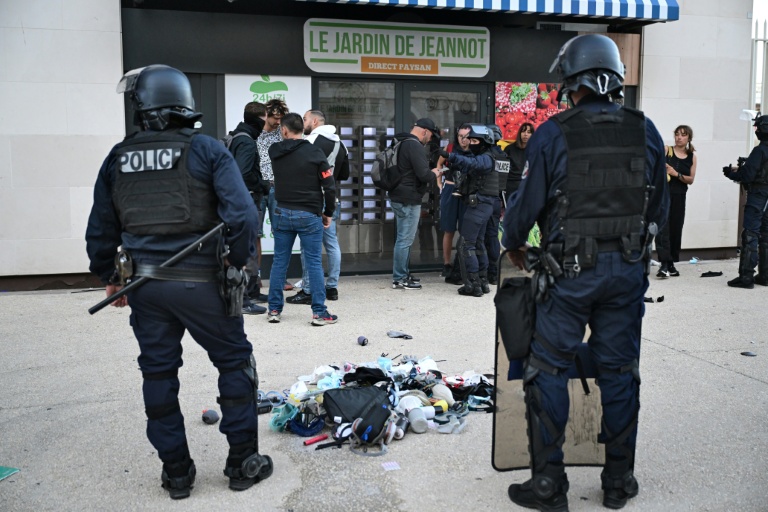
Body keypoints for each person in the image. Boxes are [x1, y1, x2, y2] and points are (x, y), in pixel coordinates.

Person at [85, 65, 272, 499]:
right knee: (234, 364)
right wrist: (239, 265)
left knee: (158, 373)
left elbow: (100, 227)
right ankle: (243, 462)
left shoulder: (119, 156)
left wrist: (110, 277)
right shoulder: (207, 149)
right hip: (204, 283)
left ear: (143, 106)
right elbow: (243, 217)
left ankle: (177, 474)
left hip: (145, 288)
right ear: (183, 104)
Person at [502, 35, 669, 511]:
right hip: (628, 274)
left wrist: (512, 243)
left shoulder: (555, 133)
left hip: (570, 275)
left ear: (570, 83)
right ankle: (618, 482)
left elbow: (525, 209)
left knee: (548, 369)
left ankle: (549, 487)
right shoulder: (646, 129)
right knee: (620, 371)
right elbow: (659, 204)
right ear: (615, 79)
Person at [266, 112, 338, 325]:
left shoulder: (275, 151)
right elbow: (329, 186)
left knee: (280, 261)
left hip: (282, 213)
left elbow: (280, 145)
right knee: (314, 262)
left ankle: (274, 310)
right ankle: (319, 313)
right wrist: (329, 213)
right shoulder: (315, 152)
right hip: (309, 214)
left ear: (284, 130)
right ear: (303, 129)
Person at [286, 109, 350, 305]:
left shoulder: (311, 142)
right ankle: (332, 287)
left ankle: (307, 289)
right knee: (331, 243)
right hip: (331, 198)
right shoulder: (341, 144)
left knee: (308, 246)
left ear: (314, 122)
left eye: (305, 119)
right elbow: (345, 174)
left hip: (312, 199)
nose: (302, 123)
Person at [439, 124, 498, 296]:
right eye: (469, 139)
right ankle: (482, 281)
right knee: (478, 244)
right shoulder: (485, 156)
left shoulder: (486, 158)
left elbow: (471, 163)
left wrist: (451, 156)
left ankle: (473, 285)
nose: (470, 143)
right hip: (480, 205)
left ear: (484, 141)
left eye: (474, 140)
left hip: (479, 205)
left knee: (466, 244)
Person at [225, 101, 268, 315]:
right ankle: (246, 297)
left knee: (247, 246)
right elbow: (244, 174)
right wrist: (263, 185)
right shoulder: (248, 142)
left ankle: (252, 290)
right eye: (264, 120)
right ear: (259, 120)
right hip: (248, 200)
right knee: (248, 248)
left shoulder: (237, 136)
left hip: (237, 201)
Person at [389, 118, 442, 290]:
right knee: (405, 239)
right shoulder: (414, 145)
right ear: (425, 131)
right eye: (431, 135)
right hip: (408, 198)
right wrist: (435, 172)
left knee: (403, 238)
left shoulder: (402, 142)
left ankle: (403, 273)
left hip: (399, 195)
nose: (430, 139)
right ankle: (400, 278)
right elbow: (423, 175)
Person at [723, 114, 768, 288]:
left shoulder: (760, 150)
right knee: (765, 234)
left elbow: (748, 175)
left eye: (757, 127)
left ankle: (746, 276)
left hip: (758, 195)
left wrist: (731, 173)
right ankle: (764, 275)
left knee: (750, 233)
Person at [655, 125, 697, 278]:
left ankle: (671, 262)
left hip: (679, 196)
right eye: (677, 134)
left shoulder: (692, 156)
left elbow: (691, 180)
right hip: (663, 196)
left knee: (676, 229)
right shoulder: (667, 150)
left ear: (688, 138)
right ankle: (664, 264)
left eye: (683, 135)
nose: (679, 137)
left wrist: (675, 173)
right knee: (662, 229)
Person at [436, 124, 471, 283]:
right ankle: (447, 263)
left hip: (466, 192)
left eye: (467, 136)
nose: (464, 140)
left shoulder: (475, 150)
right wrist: (440, 183)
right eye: (461, 136)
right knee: (448, 229)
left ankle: (462, 263)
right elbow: (439, 164)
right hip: (450, 189)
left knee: (466, 231)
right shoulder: (450, 148)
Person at [483, 123, 509, 284]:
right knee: (492, 236)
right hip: (498, 200)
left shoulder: (486, 156)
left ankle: (483, 272)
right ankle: (494, 272)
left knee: (477, 238)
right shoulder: (504, 156)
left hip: (485, 199)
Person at [503, 122, 535, 199]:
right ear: (519, 133)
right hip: (511, 184)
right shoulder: (509, 149)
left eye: (529, 132)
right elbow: (503, 169)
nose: (525, 134)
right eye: (523, 131)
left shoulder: (536, 149)